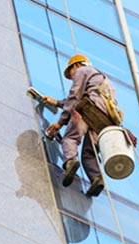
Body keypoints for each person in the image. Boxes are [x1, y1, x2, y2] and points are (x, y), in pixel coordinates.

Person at [41, 54, 122, 197]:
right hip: (104, 121)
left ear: (75, 65)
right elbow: (88, 95)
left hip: (88, 110)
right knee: (89, 153)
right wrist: (56, 102)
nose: (72, 77)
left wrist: (61, 122)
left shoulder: (82, 71)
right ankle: (96, 178)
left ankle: (70, 161)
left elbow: (74, 96)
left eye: (70, 73)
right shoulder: (104, 81)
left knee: (70, 138)